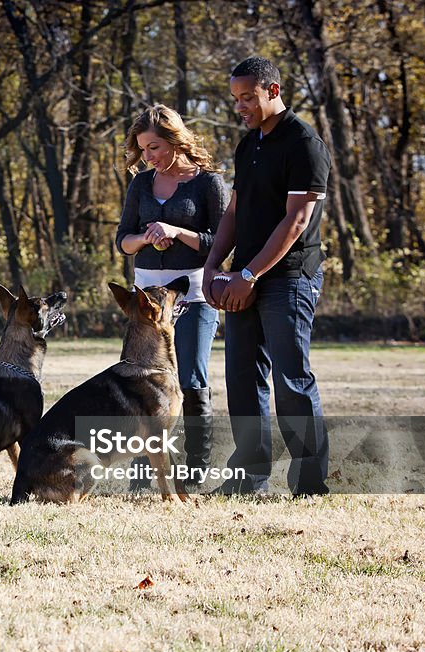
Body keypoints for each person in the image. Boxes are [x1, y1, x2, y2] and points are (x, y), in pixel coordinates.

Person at [203, 56, 331, 496]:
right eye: (235, 99)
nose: (240, 106)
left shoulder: (304, 143)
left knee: (291, 380)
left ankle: (310, 485)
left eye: (247, 98)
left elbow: (296, 221)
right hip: (243, 276)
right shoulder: (248, 143)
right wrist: (213, 264)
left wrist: (250, 273)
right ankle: (248, 478)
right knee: (242, 377)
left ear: (272, 91)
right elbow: (235, 211)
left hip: (289, 277)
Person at [115, 104, 229, 485]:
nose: (148, 157)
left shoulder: (208, 183)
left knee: (191, 378)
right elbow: (123, 241)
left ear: (176, 142)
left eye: (155, 149)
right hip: (146, 299)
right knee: (140, 379)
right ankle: (143, 468)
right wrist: (145, 238)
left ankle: (195, 470)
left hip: (193, 296)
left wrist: (177, 231)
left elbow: (221, 243)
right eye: (144, 149)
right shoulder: (141, 184)